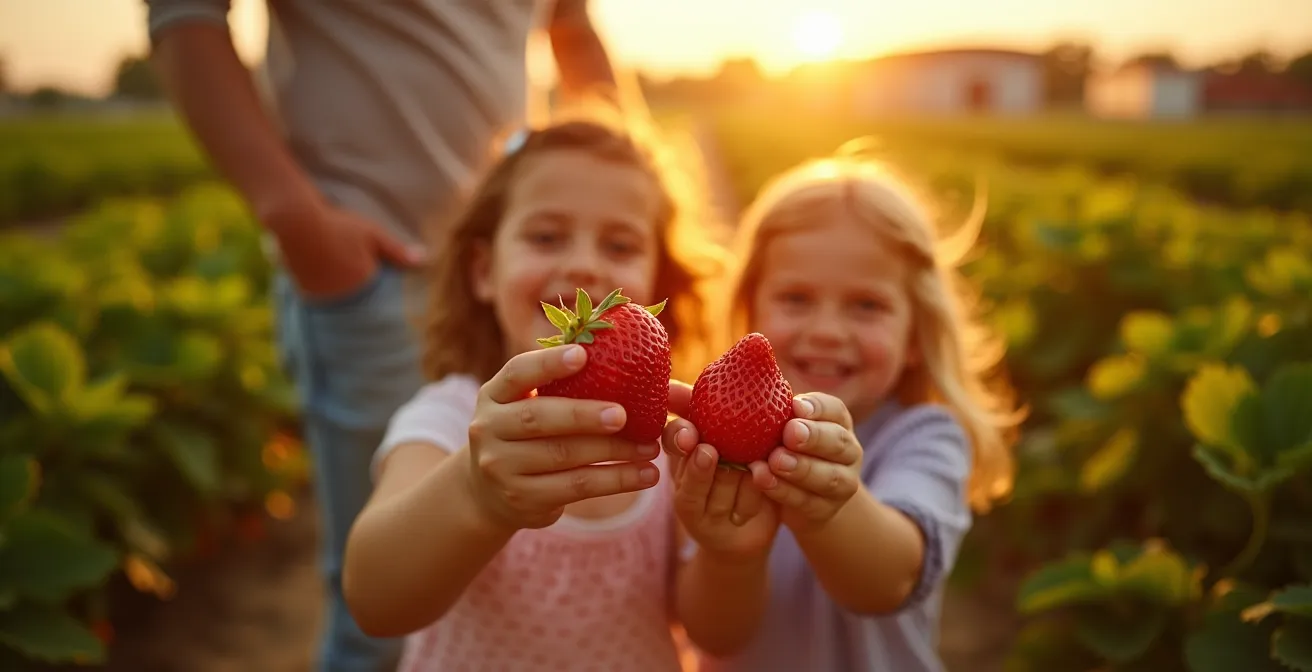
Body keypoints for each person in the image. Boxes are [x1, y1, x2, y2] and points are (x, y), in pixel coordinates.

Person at [144, 1, 629, 669]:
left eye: (626, 243)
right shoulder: (439, 409)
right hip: (378, 275)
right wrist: (295, 216)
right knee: (381, 626)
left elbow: (569, 25)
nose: (592, 258)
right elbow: (184, 12)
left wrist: (616, 181)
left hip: (524, 282)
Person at [339, 112, 778, 670]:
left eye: (620, 246)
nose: (582, 265)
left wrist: (728, 556)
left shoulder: (672, 443)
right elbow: (374, 600)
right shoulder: (451, 420)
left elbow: (716, 635)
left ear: (658, 284)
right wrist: (477, 495)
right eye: (546, 237)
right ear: (482, 270)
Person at [662, 147, 1023, 671]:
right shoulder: (710, 447)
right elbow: (713, 637)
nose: (828, 331)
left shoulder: (925, 437)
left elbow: (891, 580)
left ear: (916, 334)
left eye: (867, 306)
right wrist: (728, 556)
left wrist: (828, 502)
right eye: (796, 299)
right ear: (749, 311)